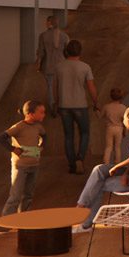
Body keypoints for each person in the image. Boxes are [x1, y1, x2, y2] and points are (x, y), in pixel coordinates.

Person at [74, 104, 129, 232]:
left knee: (99, 184)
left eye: (125, 118)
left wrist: (118, 166)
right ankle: (81, 206)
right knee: (99, 169)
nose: (123, 120)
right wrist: (125, 172)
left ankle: (85, 223)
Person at [56, 39, 99, 174]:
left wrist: (56, 103)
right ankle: (80, 158)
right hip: (80, 105)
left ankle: (71, 165)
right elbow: (91, 88)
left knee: (68, 135)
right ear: (80, 51)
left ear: (67, 51)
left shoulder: (59, 67)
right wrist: (96, 103)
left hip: (64, 105)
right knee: (84, 132)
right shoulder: (85, 67)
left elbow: (54, 88)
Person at [1, 100, 49, 216]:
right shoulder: (19, 127)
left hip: (34, 166)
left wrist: (41, 146)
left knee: (28, 195)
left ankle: (23, 217)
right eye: (41, 112)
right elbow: (1, 138)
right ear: (30, 113)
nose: (44, 115)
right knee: (15, 196)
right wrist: (13, 149)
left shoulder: (38, 127)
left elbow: (44, 136)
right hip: (20, 167)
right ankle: (6, 219)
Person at [37, 13, 71, 107]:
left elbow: (41, 52)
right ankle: (62, 104)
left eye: (46, 22)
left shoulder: (43, 36)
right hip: (62, 65)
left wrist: (38, 64)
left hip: (48, 66)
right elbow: (68, 52)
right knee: (61, 86)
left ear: (49, 23)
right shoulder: (65, 36)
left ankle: (52, 106)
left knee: (50, 86)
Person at [97, 86, 129, 164]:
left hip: (109, 128)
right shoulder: (123, 108)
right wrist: (125, 131)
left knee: (108, 147)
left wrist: (96, 110)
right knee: (117, 148)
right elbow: (125, 121)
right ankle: (117, 164)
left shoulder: (107, 107)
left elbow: (100, 116)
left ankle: (106, 163)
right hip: (119, 128)